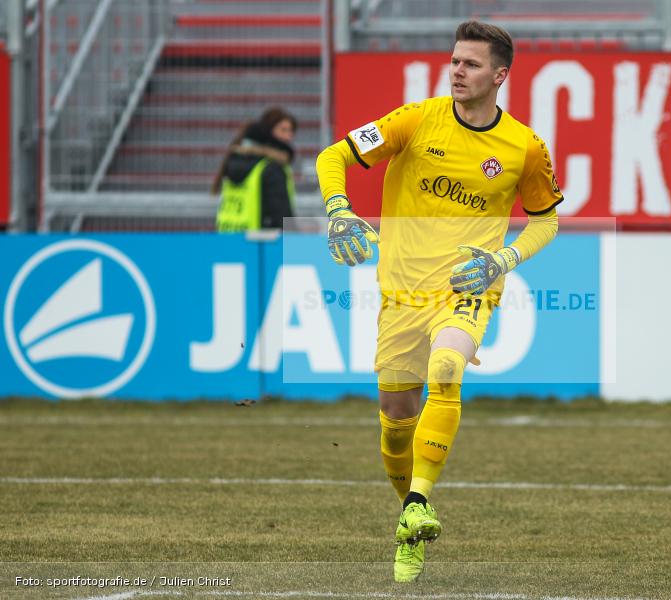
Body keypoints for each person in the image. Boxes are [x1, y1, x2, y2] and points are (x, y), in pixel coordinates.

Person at [315, 20, 562, 582]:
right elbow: (334, 157)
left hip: (467, 285)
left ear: (499, 75)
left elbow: (545, 221)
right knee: (395, 415)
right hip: (402, 291)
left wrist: (505, 259)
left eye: (471, 64)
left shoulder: (524, 147)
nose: (457, 70)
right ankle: (410, 514)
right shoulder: (414, 120)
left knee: (448, 366)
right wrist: (338, 209)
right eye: (454, 61)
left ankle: (421, 498)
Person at [213, 107, 298, 231]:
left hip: (228, 237)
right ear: (269, 131)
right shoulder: (271, 168)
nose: (288, 136)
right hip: (261, 244)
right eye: (283, 130)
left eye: (291, 131)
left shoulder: (235, 159)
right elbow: (280, 214)